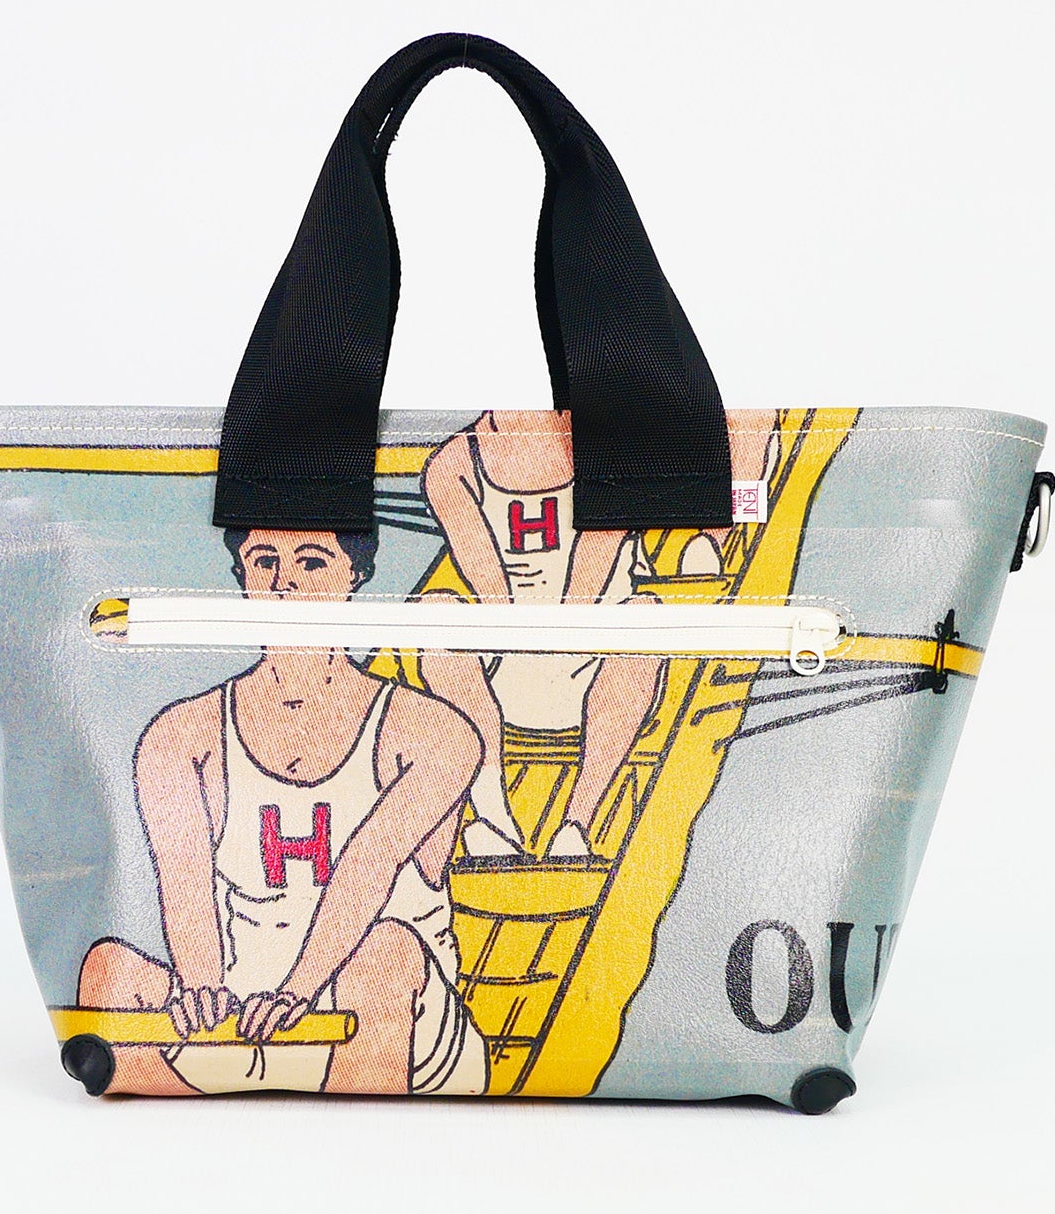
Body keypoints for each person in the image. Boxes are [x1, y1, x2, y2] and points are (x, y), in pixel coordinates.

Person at [76, 527, 489, 1097]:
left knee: (384, 955)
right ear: (242, 577)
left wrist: (299, 991)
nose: (284, 581)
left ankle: (369, 1137)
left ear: (356, 575)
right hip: (242, 1021)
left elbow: (367, 867)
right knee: (106, 968)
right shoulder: (180, 735)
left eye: (312, 562)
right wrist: (201, 988)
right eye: (263, 560)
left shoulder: (433, 732)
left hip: (389, 1021)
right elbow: (184, 883)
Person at [419, 410, 662, 859]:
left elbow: (588, 584)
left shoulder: (611, 451)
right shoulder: (454, 464)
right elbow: (489, 588)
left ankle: (575, 823)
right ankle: (493, 817)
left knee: (644, 618)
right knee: (435, 611)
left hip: (595, 657)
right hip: (502, 662)